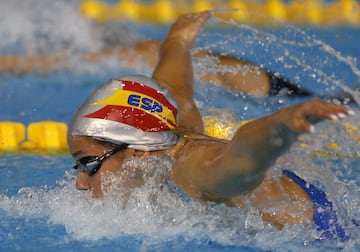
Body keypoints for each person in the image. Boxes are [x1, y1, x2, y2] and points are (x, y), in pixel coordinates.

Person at [68, 11, 355, 240]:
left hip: (328, 238)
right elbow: (175, 86)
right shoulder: (167, 131)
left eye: (90, 164)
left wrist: (283, 124)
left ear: (136, 152)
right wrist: (177, 42)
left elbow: (243, 160)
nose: (81, 183)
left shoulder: (192, 170)